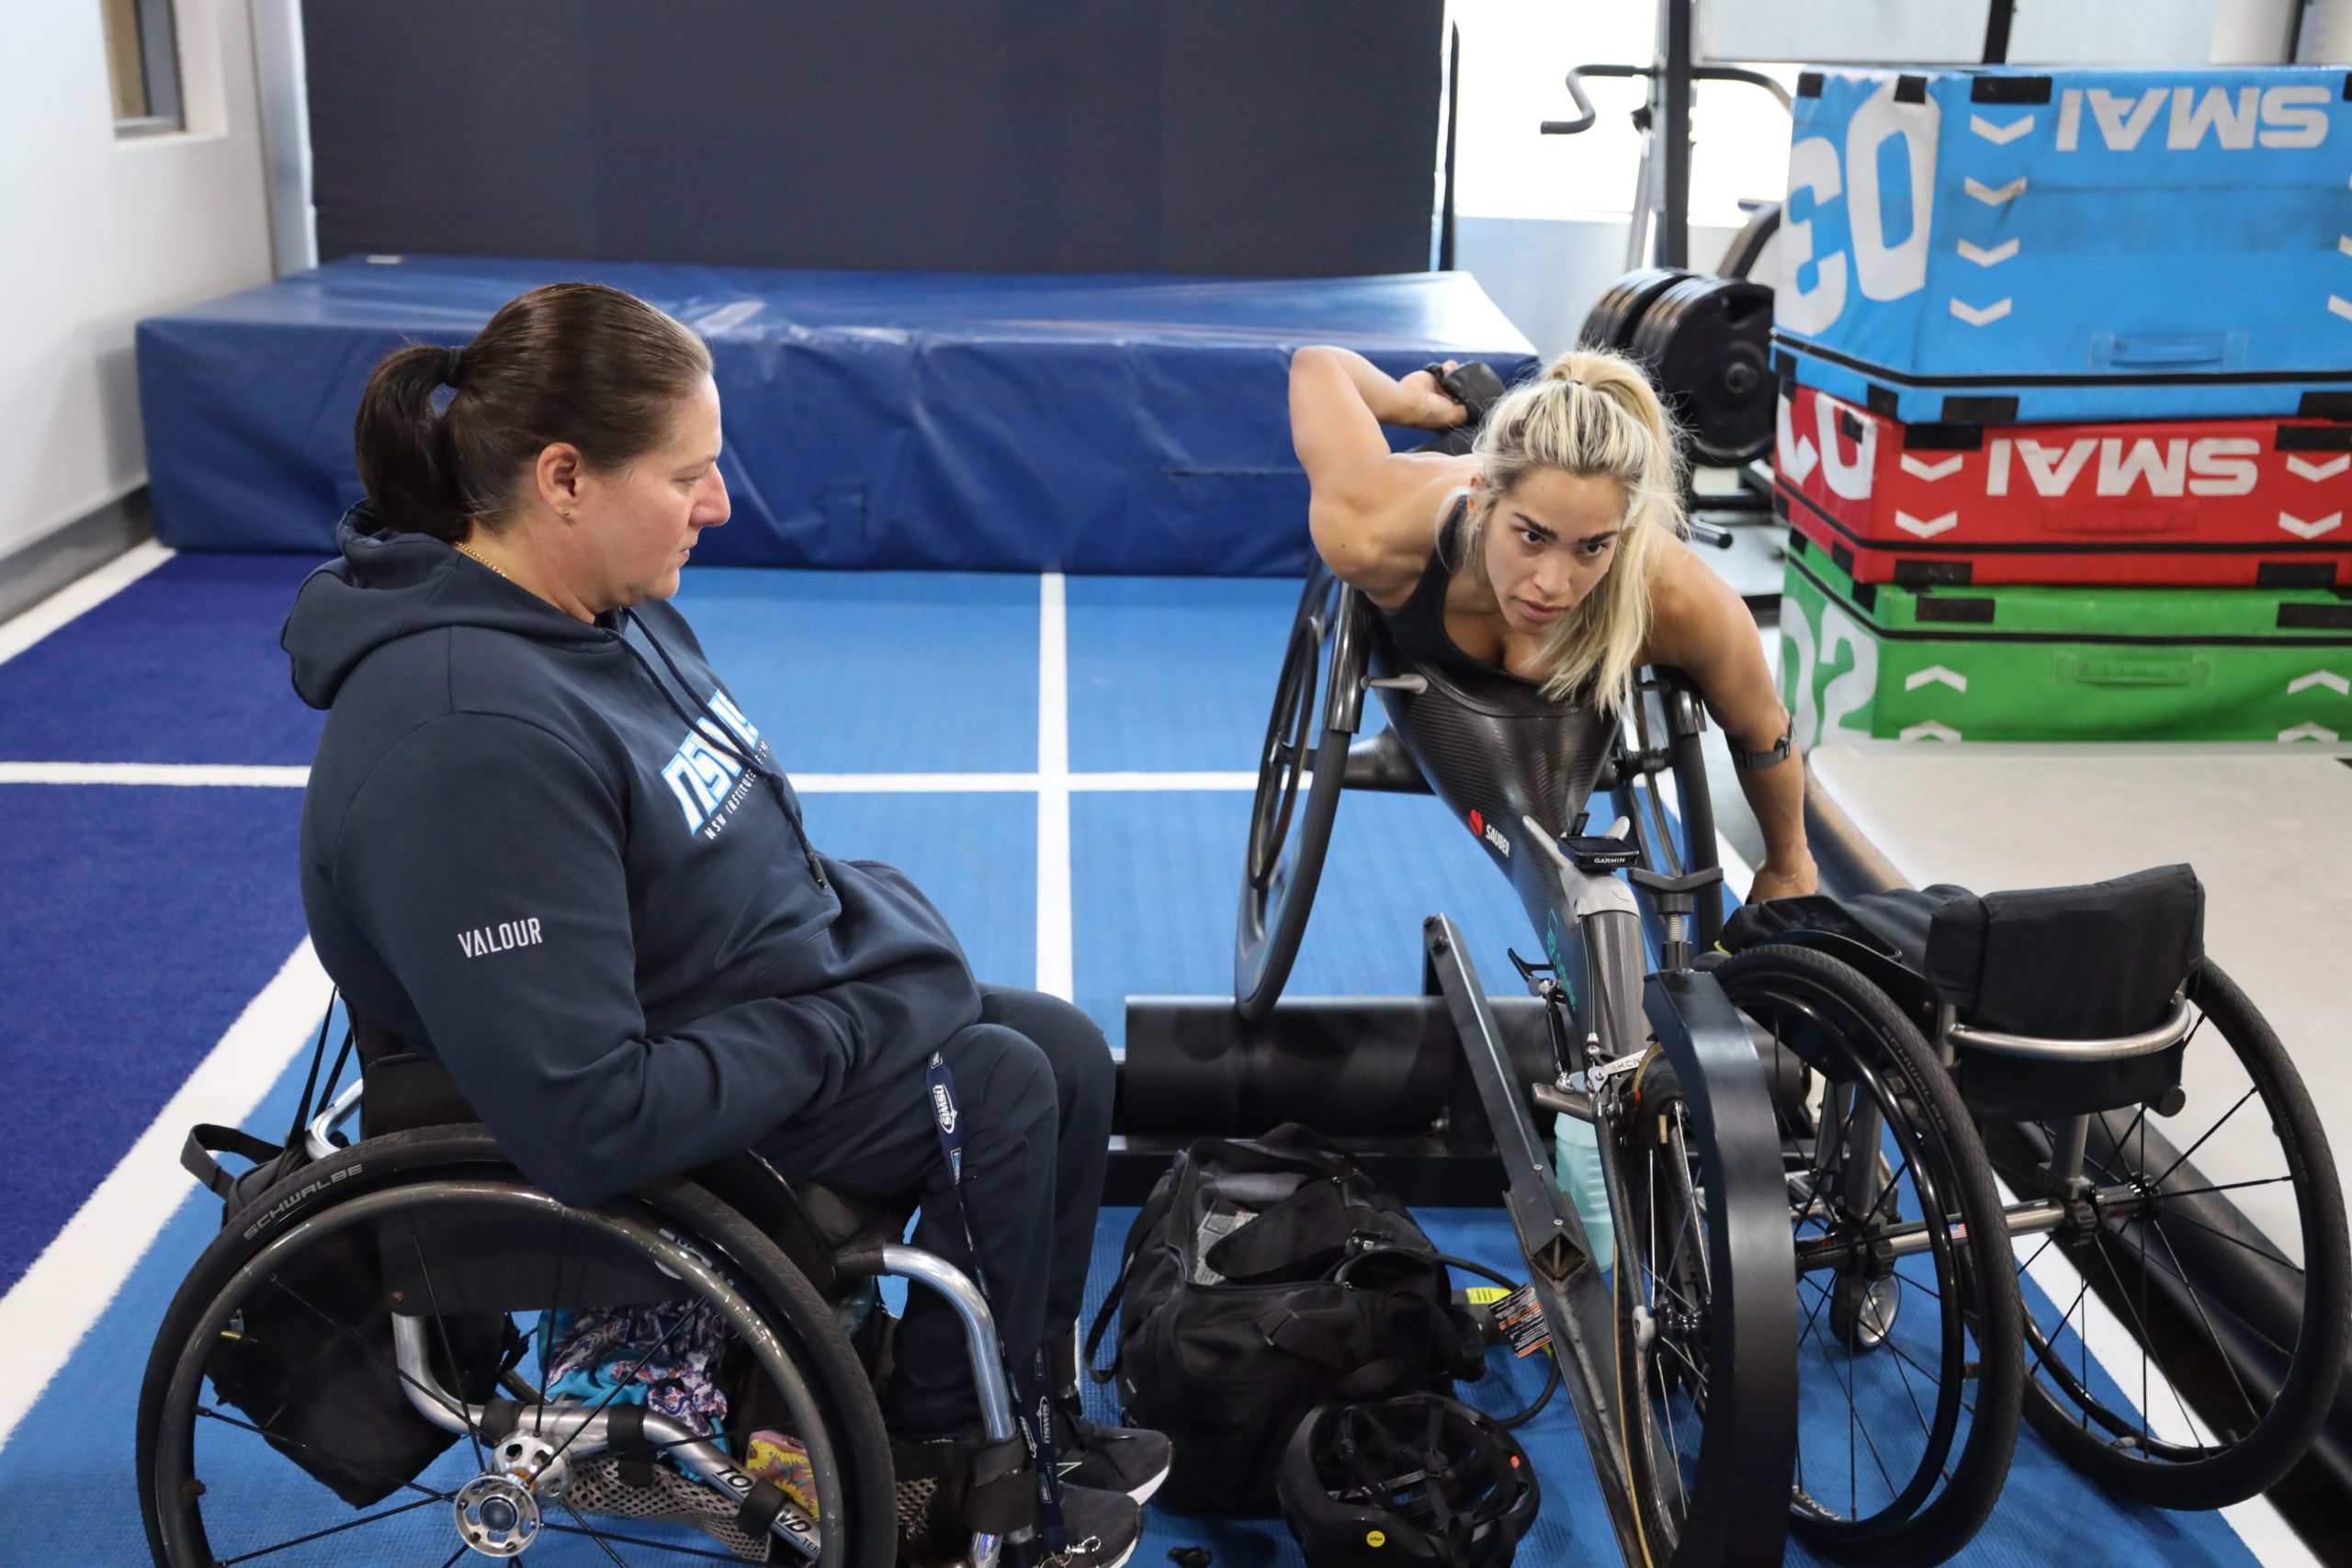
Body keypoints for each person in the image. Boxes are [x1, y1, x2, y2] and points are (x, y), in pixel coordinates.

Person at [283, 281, 1163, 1567]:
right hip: (617, 1123)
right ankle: (923, 1484)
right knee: (997, 1083)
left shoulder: (604, 617)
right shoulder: (463, 733)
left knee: (1062, 1046)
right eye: (688, 471)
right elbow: (590, 1114)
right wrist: (846, 1011)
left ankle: (1016, 1419)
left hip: (729, 1014)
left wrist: (863, 952)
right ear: (565, 477)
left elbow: (728, 854)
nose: (720, 503)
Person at [1287, 344, 1818, 904]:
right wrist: (1413, 404)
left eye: (1592, 547)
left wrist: (1789, 864)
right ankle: (1411, 739)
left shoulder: (1677, 598)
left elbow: (1763, 725)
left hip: (1561, 699)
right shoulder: (1374, 529)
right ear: (1478, 502)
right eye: (1532, 537)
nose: (1553, 584)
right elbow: (1317, 365)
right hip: (1437, 589)